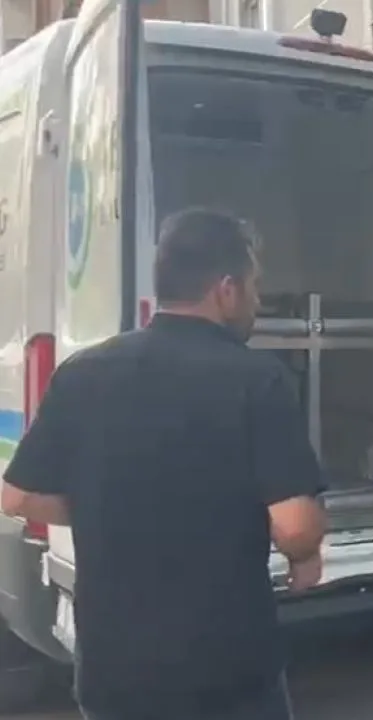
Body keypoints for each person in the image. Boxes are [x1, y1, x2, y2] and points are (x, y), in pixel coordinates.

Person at [0, 208, 326, 720]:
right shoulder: (256, 379)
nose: (257, 300)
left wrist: (105, 507)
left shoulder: (83, 372)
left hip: (113, 673)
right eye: (254, 286)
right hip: (226, 672)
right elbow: (295, 527)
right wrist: (305, 558)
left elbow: (16, 496)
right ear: (226, 289)